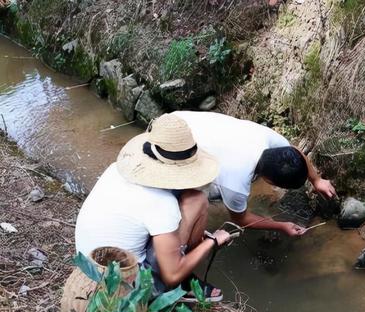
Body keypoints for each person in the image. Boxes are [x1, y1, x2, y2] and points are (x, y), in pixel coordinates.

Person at [75, 114, 231, 300]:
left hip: (87, 268)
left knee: (187, 203)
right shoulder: (161, 204)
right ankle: (181, 282)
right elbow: (170, 275)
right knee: (196, 200)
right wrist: (212, 242)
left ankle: (178, 260)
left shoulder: (114, 170)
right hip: (121, 288)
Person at [171, 111, 337, 236]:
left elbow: (295, 152)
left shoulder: (268, 139)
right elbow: (240, 219)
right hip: (172, 143)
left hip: (181, 119)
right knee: (191, 199)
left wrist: (316, 180)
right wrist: (281, 226)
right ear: (270, 181)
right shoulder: (235, 182)